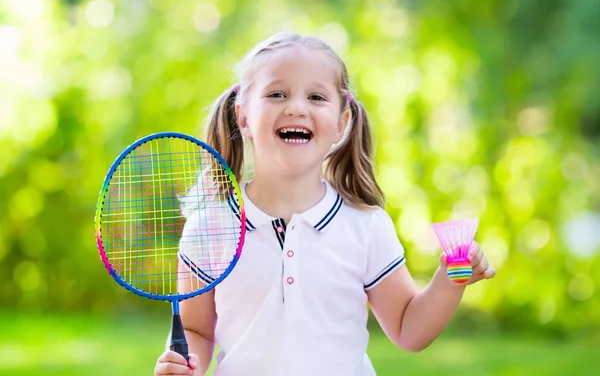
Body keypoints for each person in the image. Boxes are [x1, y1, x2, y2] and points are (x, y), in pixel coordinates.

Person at [154, 33, 496, 376]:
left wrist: (449, 280)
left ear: (341, 124)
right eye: (277, 94)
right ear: (242, 117)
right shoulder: (211, 226)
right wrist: (185, 367)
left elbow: (409, 328)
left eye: (316, 97)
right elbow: (196, 330)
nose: (296, 107)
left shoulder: (364, 225)